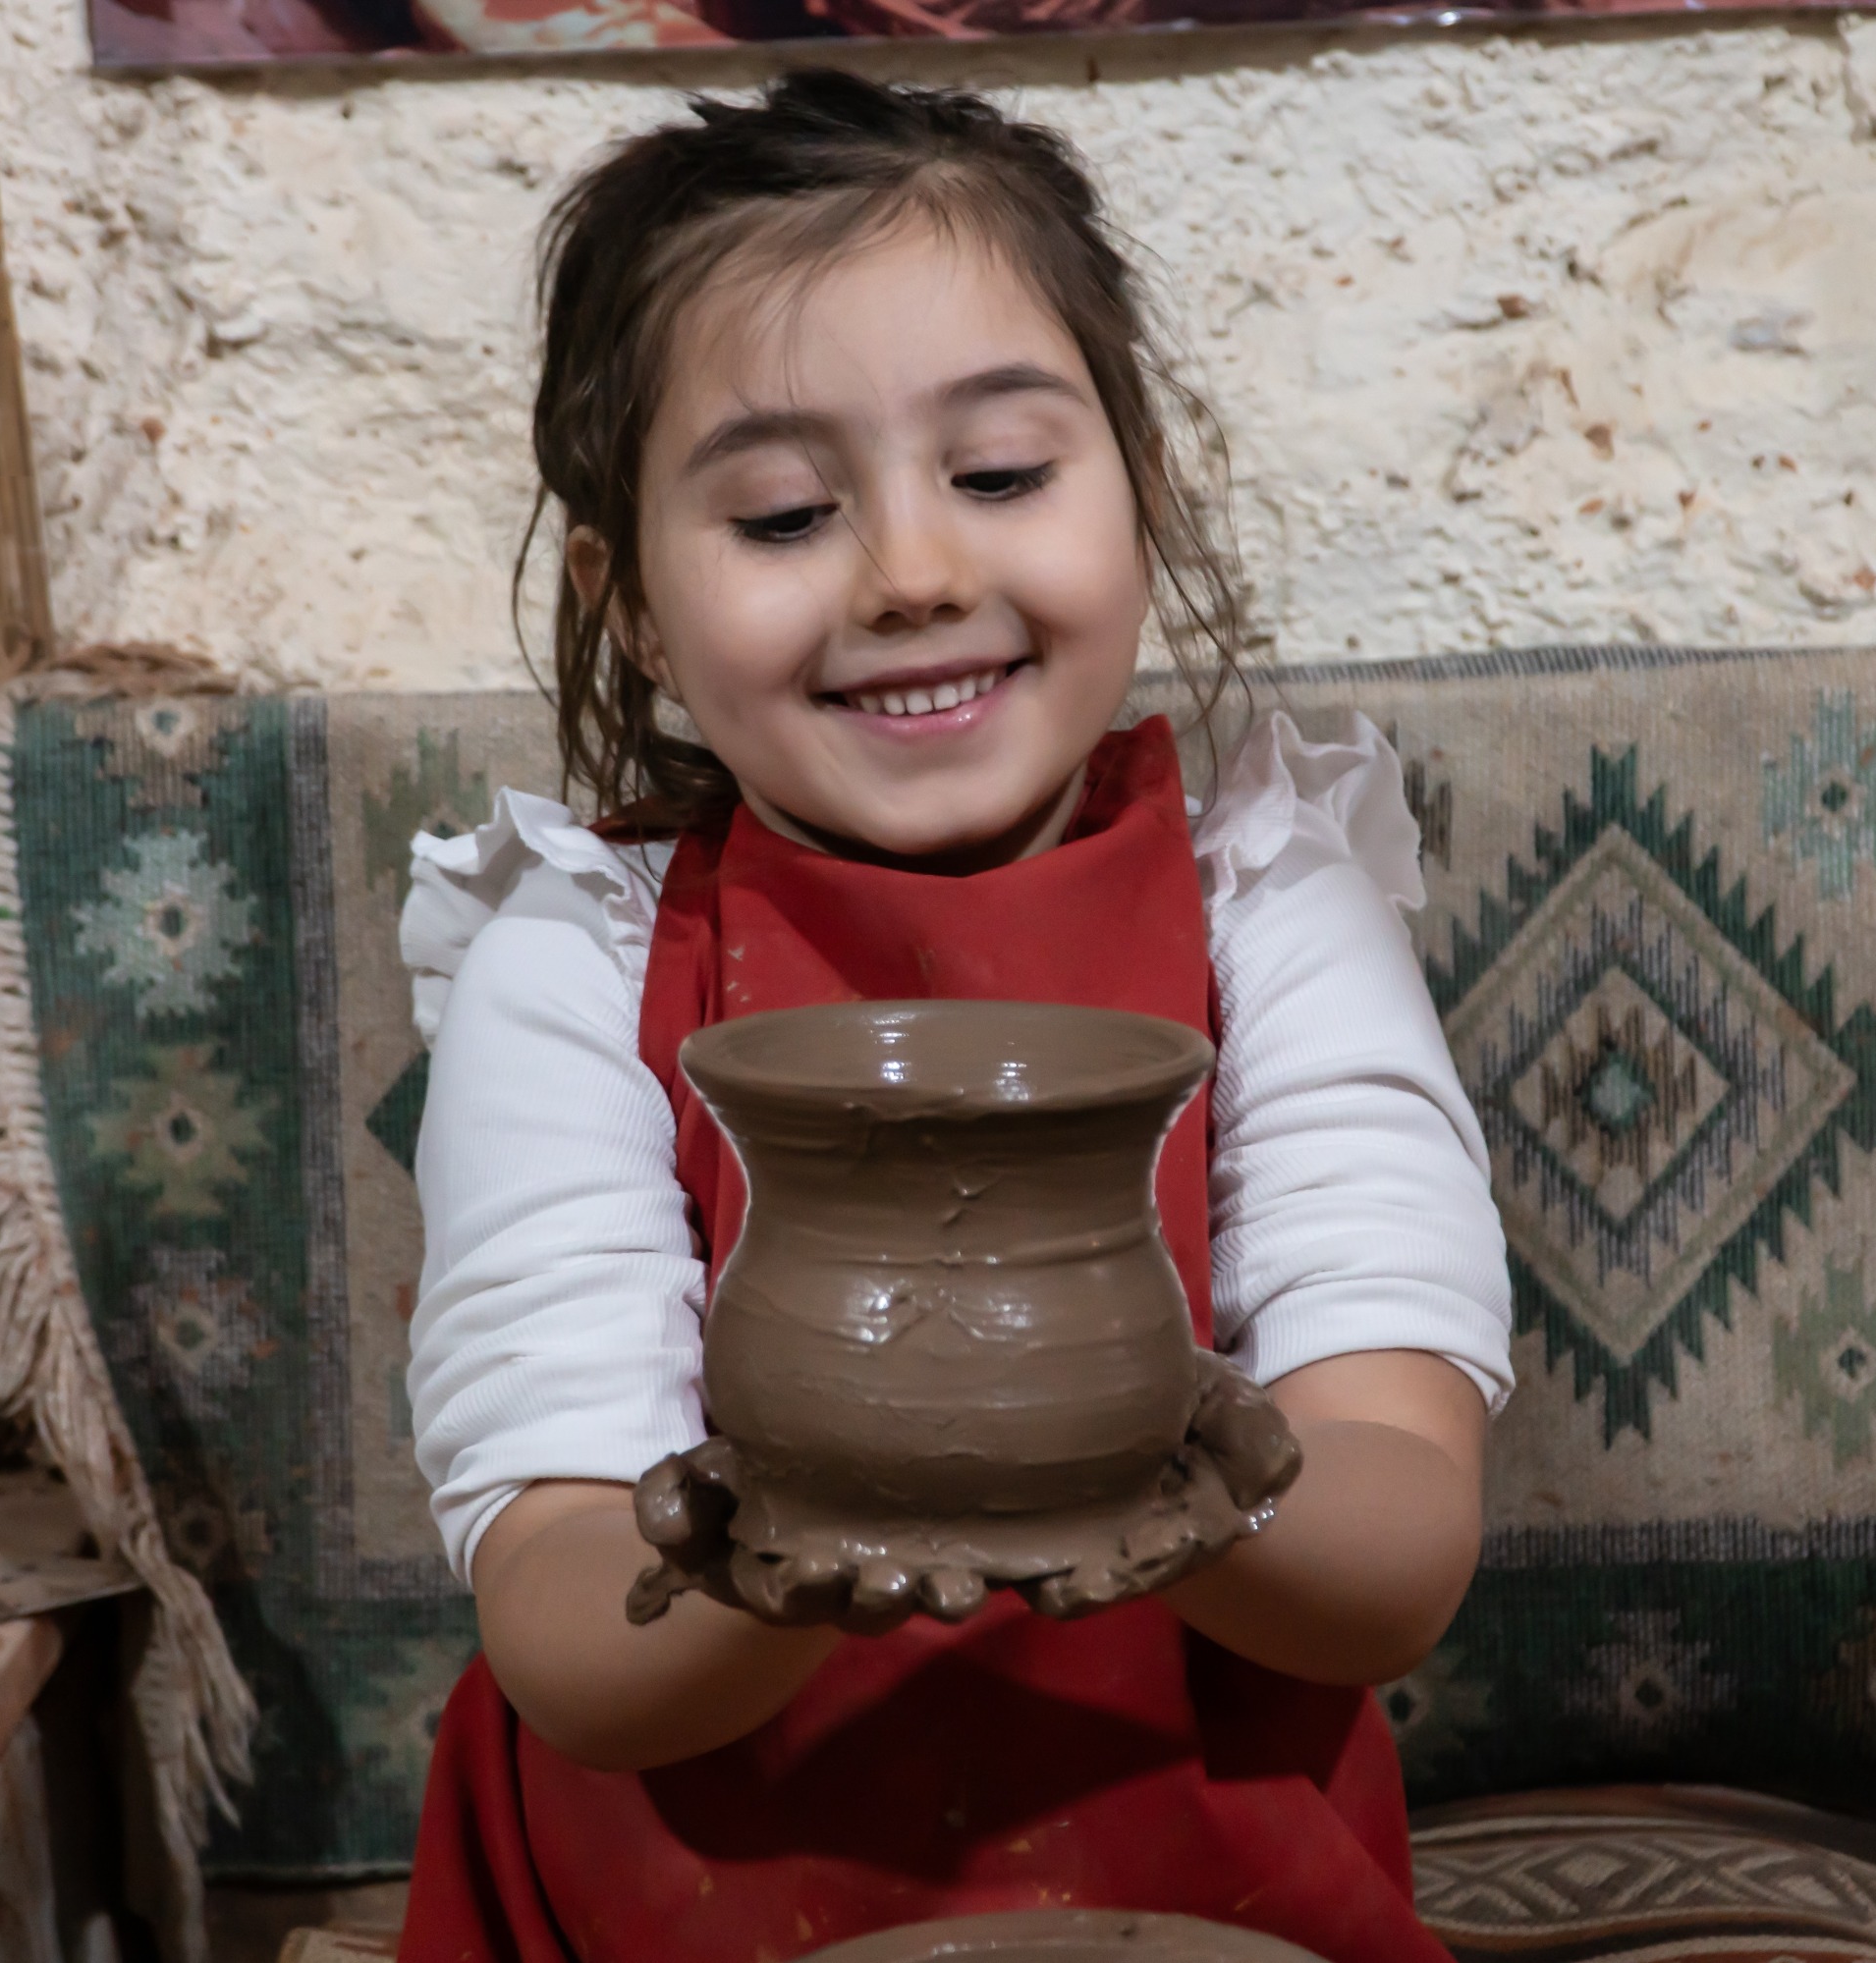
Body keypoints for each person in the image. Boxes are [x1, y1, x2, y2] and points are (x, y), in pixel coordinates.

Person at [393, 70, 1512, 1963]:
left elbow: (1398, 1558)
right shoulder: (571, 966)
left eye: (1000, 477)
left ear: (1137, 495)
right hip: (685, 1887)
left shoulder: (1275, 913)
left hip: (1206, 1883)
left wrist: (1123, 1459)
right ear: (635, 607)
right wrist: (837, 1514)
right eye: (782, 512)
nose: (915, 574)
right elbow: (574, 1629)